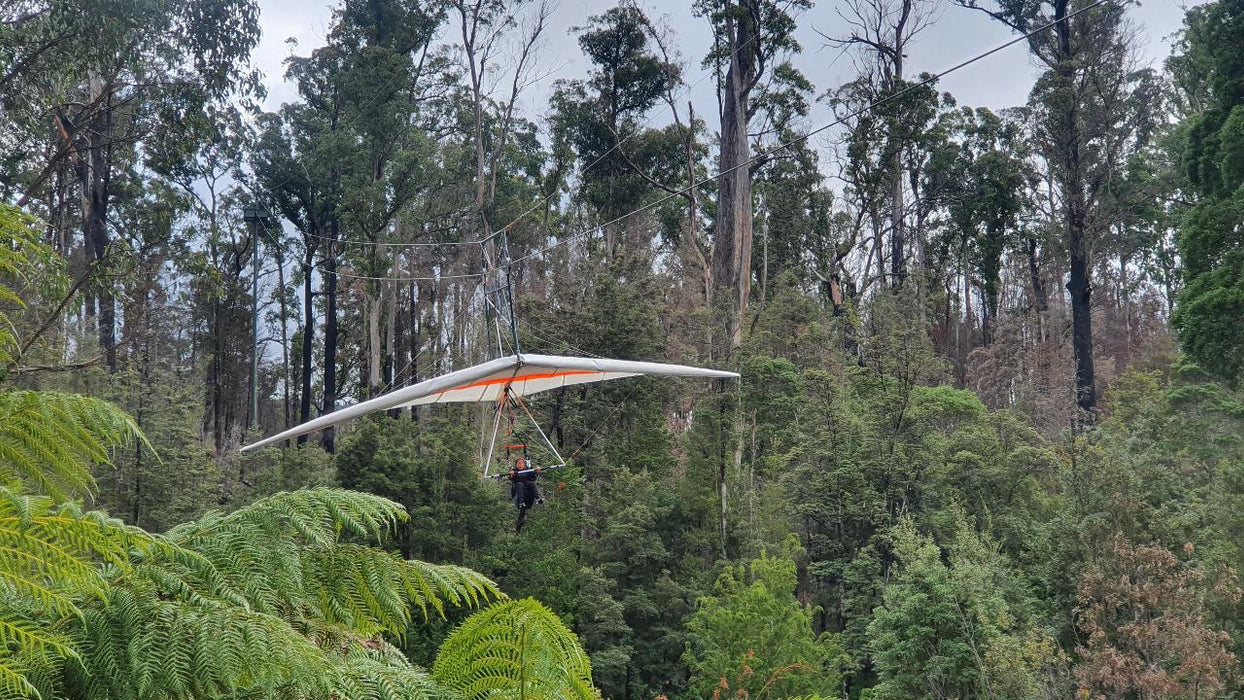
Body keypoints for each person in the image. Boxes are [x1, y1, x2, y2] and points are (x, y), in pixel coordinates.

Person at [508, 458, 543, 532]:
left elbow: (534, 476)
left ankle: (538, 498)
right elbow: (511, 478)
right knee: (519, 484)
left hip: (528, 497)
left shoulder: (529, 471)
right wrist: (511, 475)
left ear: (524, 464)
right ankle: (521, 503)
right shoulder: (514, 472)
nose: (520, 465)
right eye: (518, 463)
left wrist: (537, 471)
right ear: (516, 465)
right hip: (518, 497)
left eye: (522, 463)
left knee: (532, 483)